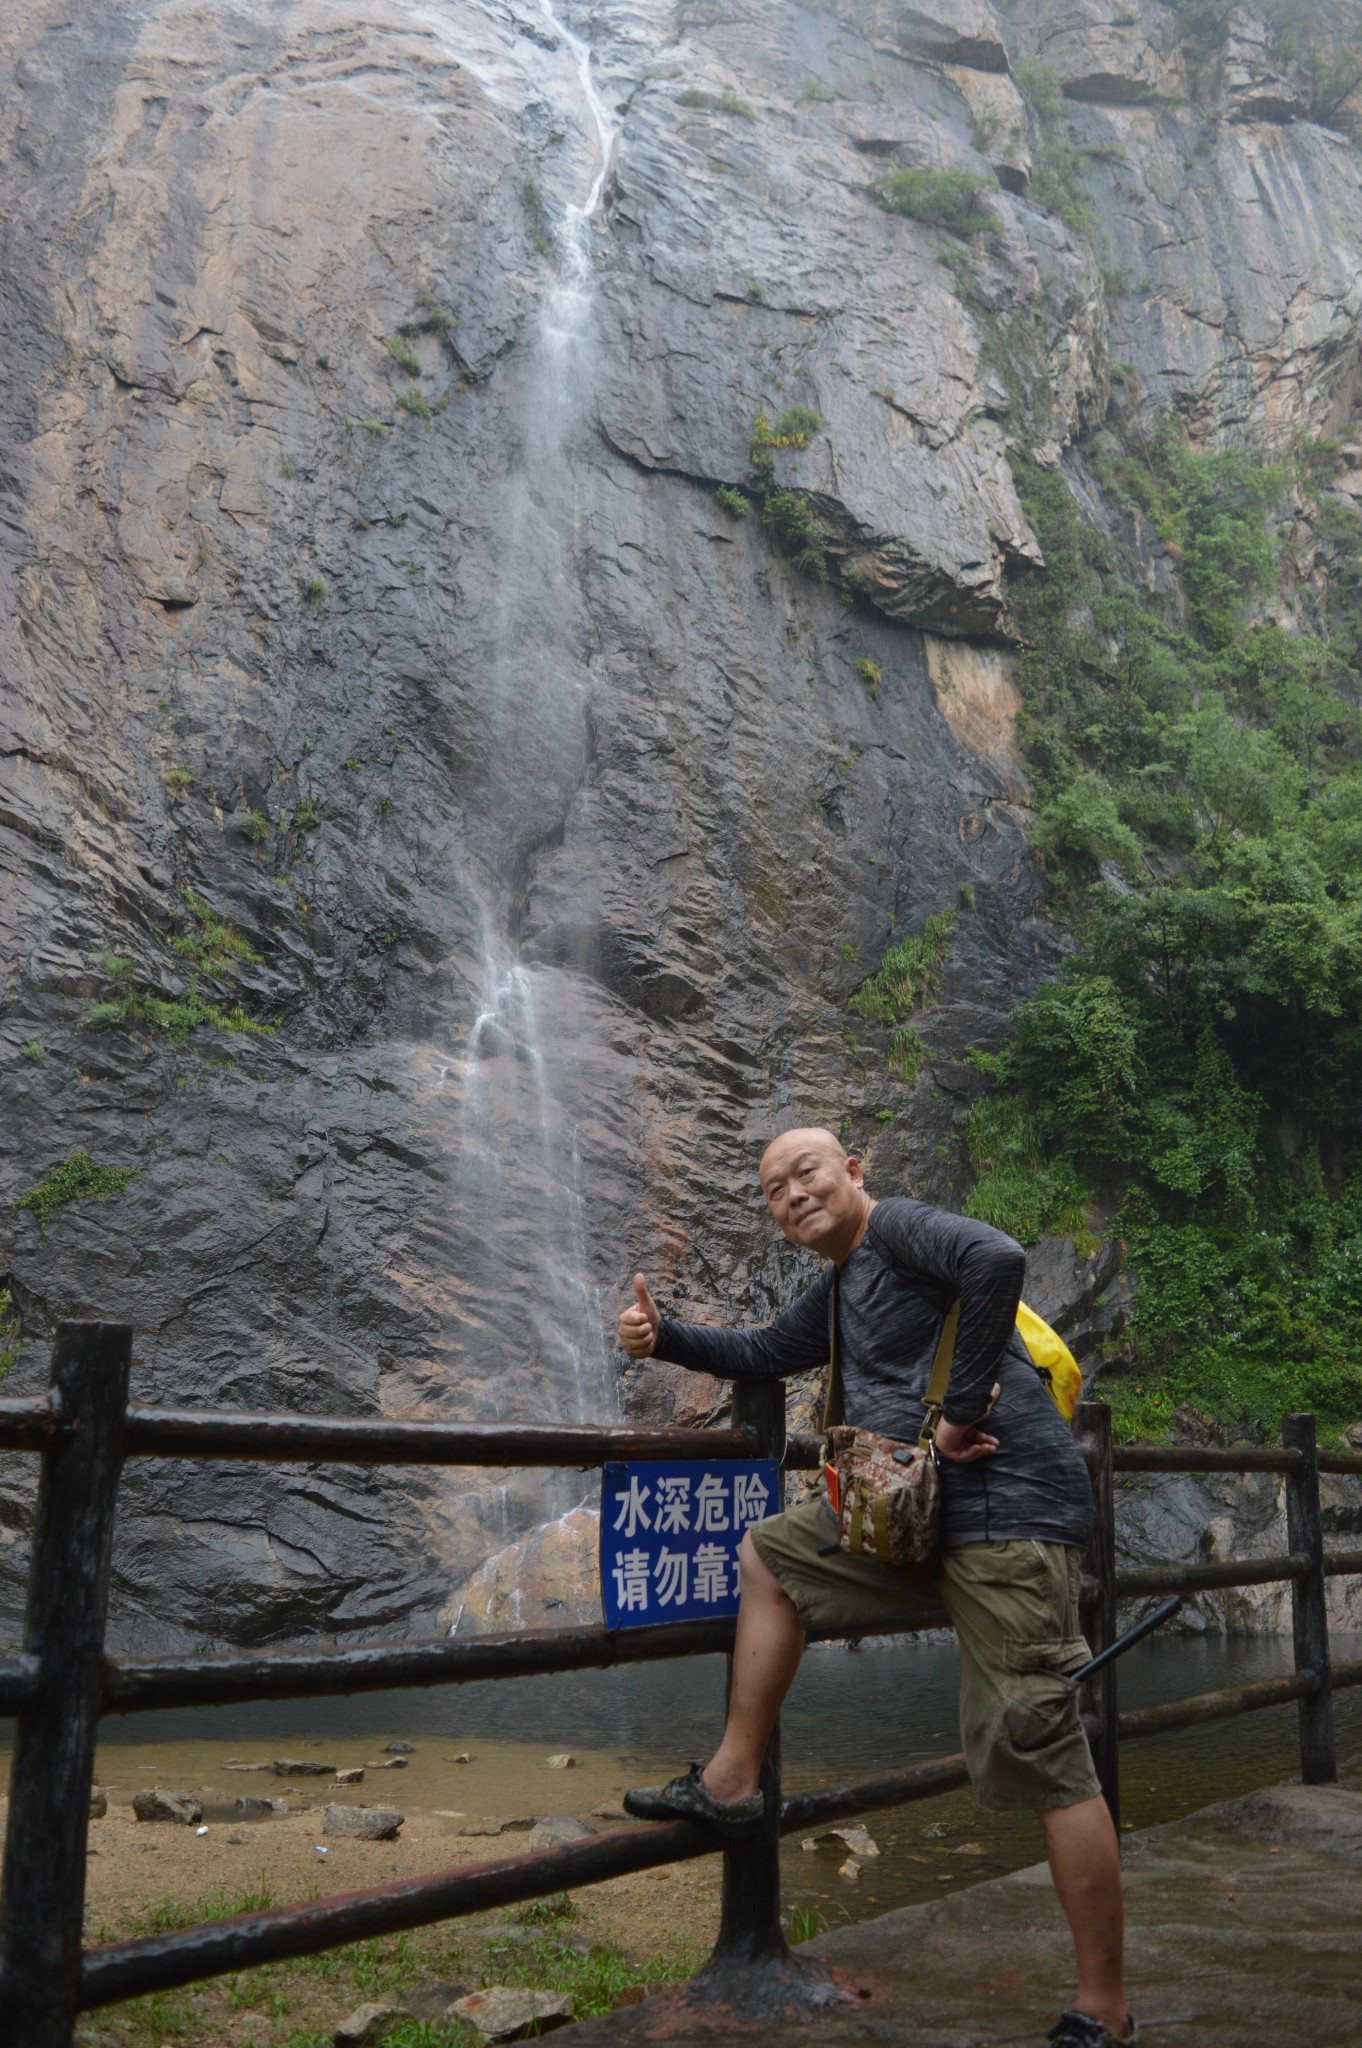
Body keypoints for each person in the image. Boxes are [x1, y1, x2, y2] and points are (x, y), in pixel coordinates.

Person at [616, 1127, 1134, 2048]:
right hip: (912, 1516)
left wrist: (962, 1406)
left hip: (1005, 1517)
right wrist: (663, 1342)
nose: (793, 1195)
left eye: (806, 1172)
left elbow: (996, 1256)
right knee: (771, 1555)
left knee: (1041, 1744)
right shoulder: (844, 1284)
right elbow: (766, 1352)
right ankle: (732, 1779)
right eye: (774, 1190)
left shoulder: (897, 1230)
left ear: (854, 1170)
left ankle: (1104, 2010)